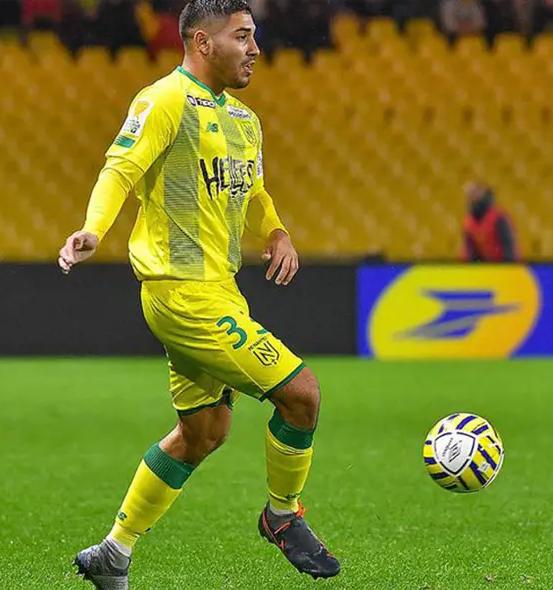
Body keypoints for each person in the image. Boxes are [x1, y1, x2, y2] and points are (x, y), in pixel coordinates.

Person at [56, 1, 340, 587]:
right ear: (203, 43)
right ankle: (282, 516)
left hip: (221, 290)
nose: (255, 48)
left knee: (202, 432)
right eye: (242, 36)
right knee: (302, 395)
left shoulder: (244, 120)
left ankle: (114, 552)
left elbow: (253, 192)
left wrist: (277, 231)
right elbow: (119, 169)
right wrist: (93, 228)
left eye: (254, 35)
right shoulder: (164, 100)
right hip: (182, 294)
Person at [460, 181, 518, 263]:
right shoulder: (468, 223)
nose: (470, 197)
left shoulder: (498, 216)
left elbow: (508, 245)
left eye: (474, 192)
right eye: (468, 194)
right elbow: (471, 251)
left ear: (481, 193)